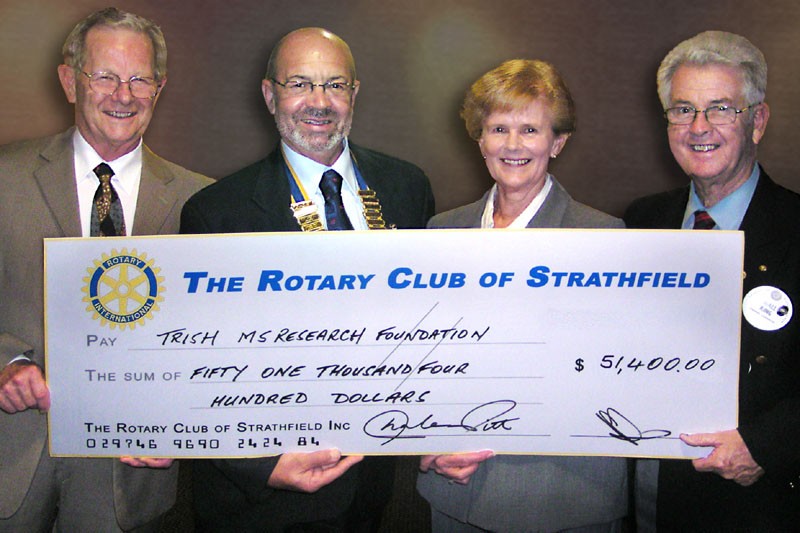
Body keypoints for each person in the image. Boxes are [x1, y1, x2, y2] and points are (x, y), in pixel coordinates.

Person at [180, 27, 434, 532]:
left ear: (354, 95)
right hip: (269, 498)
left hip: (386, 486)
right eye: (300, 84)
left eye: (335, 85)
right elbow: (193, 363)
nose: (319, 102)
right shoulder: (215, 212)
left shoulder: (409, 187)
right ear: (270, 94)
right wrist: (258, 465)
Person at [0, 7, 212, 532]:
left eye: (140, 78)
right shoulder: (5, 178)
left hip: (131, 466)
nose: (124, 94)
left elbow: (213, 342)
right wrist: (5, 362)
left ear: (158, 89)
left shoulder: (202, 203)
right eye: (106, 76)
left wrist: (182, 425)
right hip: (13, 452)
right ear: (70, 81)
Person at [416, 59, 627, 532]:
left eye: (530, 128)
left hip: (564, 496)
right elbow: (420, 357)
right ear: (480, 138)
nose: (513, 145)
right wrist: (424, 439)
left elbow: (606, 376)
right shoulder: (439, 232)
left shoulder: (604, 237)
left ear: (558, 142)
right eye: (498, 128)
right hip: (456, 488)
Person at [624, 30, 800, 531]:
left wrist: (765, 446)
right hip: (644, 498)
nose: (699, 127)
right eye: (682, 110)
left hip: (755, 506)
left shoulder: (795, 228)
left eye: (721, 108)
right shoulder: (639, 221)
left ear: (758, 121)